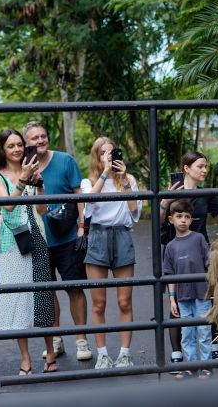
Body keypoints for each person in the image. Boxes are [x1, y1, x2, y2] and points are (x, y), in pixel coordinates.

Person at [0, 130, 57, 375]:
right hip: (12, 243)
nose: (17, 149)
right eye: (11, 146)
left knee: (43, 297)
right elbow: (7, 205)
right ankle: (25, 358)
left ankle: (50, 353)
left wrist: (38, 185)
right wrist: (23, 180)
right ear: (3, 150)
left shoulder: (32, 172)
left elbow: (42, 209)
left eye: (19, 144)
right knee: (18, 299)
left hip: (36, 237)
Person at [22, 121, 91, 361]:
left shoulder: (65, 161)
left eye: (43, 136)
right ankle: (56, 340)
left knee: (75, 289)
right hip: (39, 239)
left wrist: (82, 227)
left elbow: (78, 195)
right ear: (27, 143)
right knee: (48, 291)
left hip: (67, 236)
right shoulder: (23, 167)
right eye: (34, 138)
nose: (40, 141)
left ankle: (81, 340)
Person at [158, 150, 218, 363]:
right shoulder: (172, 193)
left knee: (208, 300)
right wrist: (164, 201)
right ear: (186, 168)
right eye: (200, 166)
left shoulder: (206, 194)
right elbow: (158, 223)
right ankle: (177, 351)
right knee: (178, 301)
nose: (204, 170)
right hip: (177, 251)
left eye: (206, 166)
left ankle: (212, 346)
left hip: (201, 252)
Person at [81, 137, 142, 369]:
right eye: (103, 152)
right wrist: (106, 173)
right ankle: (102, 354)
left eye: (112, 151)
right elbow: (89, 205)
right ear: (96, 157)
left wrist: (124, 179)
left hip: (121, 235)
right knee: (98, 303)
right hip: (98, 236)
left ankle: (125, 353)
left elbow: (135, 211)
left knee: (124, 301)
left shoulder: (129, 180)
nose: (108, 156)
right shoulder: (88, 181)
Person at [163, 200, 212, 379]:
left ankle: (206, 366)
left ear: (191, 219)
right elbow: (169, 275)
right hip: (183, 297)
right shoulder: (170, 246)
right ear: (171, 219)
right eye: (179, 216)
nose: (183, 220)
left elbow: (209, 264)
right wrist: (172, 299)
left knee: (204, 331)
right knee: (187, 333)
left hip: (202, 293)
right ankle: (191, 366)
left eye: (187, 216)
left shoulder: (198, 239)